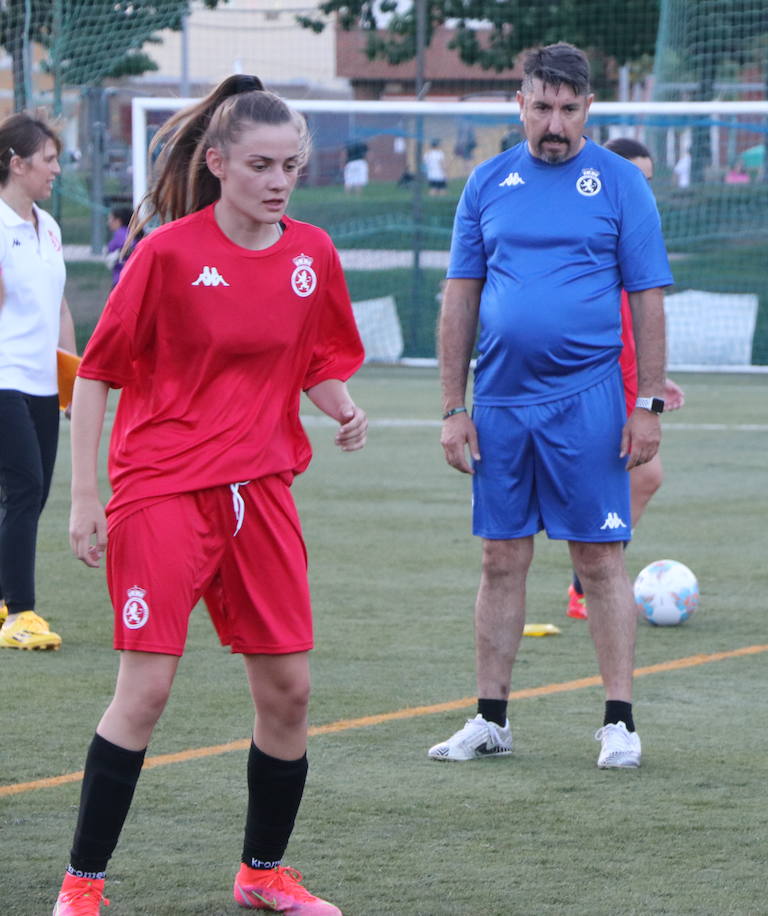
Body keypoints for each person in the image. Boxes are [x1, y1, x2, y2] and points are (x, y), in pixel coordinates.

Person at [54, 74, 367, 915]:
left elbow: (315, 354)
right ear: (220, 163)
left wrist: (339, 405)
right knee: (146, 691)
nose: (278, 182)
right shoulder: (166, 255)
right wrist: (86, 496)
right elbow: (98, 377)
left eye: (291, 166)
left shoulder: (312, 255)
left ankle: (262, 873)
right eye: (262, 164)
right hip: (163, 489)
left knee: (289, 691)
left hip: (261, 488)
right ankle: (82, 886)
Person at [430, 42, 672, 770]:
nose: (554, 124)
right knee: (501, 559)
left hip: (590, 401)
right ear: (521, 105)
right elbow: (461, 298)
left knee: (599, 559)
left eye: (568, 109)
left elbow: (648, 298)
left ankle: (619, 723)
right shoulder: (486, 183)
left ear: (588, 108)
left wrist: (648, 401)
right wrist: (453, 405)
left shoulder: (623, 183)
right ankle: (490, 718)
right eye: (542, 108)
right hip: (500, 403)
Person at [564, 135, 686, 620]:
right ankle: (587, 584)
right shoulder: (592, 236)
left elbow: (637, 321)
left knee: (642, 477)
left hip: (626, 383)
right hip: (596, 386)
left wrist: (654, 384)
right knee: (636, 476)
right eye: (635, 179)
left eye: (649, 181)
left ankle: (587, 584)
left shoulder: (635, 234)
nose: (643, 190)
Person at [0, 112, 75, 651]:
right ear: (17, 163)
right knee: (24, 487)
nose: (56, 169)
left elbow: (59, 305)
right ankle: (20, 612)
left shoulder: (47, 226)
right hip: (2, 379)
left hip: (43, 384)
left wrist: (72, 378)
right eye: (48, 160)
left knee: (34, 493)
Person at [104, 204, 136, 288]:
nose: (108, 222)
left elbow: (131, 250)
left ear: (118, 221)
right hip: (128, 280)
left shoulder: (121, 233)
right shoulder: (129, 232)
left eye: (110, 219)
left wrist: (116, 256)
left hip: (122, 281)